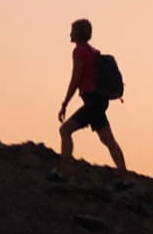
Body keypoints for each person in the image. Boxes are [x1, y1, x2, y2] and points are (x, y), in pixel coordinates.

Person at [53, 18, 127, 182]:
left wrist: (65, 103)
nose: (70, 34)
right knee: (108, 140)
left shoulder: (79, 51)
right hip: (99, 101)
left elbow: (76, 78)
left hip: (93, 101)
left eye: (72, 30)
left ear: (77, 33)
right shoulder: (93, 51)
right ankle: (124, 178)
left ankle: (65, 173)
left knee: (65, 131)